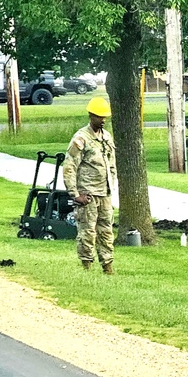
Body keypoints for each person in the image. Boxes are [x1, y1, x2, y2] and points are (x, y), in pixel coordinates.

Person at [62, 96, 118, 274]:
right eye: (99, 117)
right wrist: (75, 194)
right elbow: (69, 166)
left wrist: (113, 184)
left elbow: (112, 163)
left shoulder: (106, 137)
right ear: (90, 115)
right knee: (88, 232)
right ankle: (86, 266)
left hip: (105, 193)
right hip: (88, 194)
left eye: (104, 117)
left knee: (106, 231)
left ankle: (107, 266)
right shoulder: (81, 138)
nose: (102, 120)